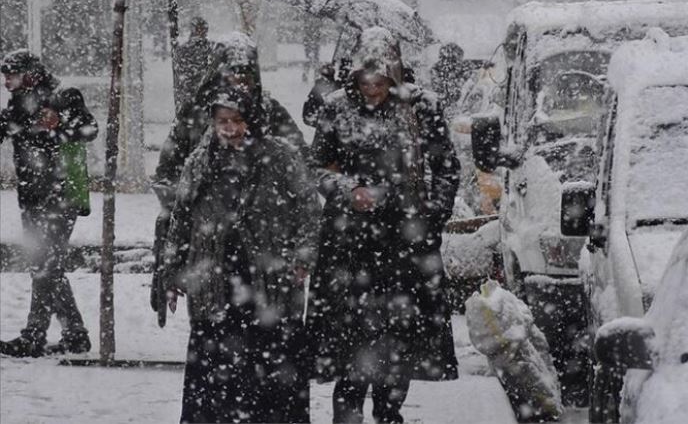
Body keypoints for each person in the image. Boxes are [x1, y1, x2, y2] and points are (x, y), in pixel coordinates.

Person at [308, 27, 461, 423]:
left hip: (405, 244)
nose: (372, 90)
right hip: (348, 243)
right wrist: (348, 188)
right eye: (365, 81)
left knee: (399, 342)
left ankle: (389, 412)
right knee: (350, 343)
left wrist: (431, 218)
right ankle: (348, 413)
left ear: (394, 75)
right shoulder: (337, 108)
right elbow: (316, 167)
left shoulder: (421, 107)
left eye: (380, 82)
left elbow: (446, 167)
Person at [161, 87, 320, 423]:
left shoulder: (279, 156)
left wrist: (303, 255)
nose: (230, 128)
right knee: (216, 370)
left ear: (252, 120)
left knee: (271, 365)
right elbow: (181, 217)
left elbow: (308, 206)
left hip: (269, 278)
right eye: (222, 121)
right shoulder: (201, 160)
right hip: (215, 277)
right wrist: (172, 273)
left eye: (236, 120)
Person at [151, 32, 306, 322]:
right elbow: (166, 176)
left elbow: (302, 170)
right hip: (210, 245)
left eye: (245, 77)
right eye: (232, 75)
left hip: (264, 244)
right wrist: (195, 205)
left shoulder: (271, 113)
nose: (239, 84)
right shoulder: (195, 114)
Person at [0, 50, 97, 357]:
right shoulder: (18, 103)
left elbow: (89, 129)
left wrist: (60, 123)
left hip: (62, 196)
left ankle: (33, 336)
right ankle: (76, 334)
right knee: (44, 266)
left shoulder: (63, 95)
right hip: (31, 198)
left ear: (30, 74)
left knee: (46, 267)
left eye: (10, 76)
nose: (6, 83)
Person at [174, 16, 213, 114]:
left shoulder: (212, 48)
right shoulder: (184, 49)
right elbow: (180, 76)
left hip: (206, 96)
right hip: (191, 95)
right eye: (199, 29)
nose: (202, 32)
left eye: (204, 29)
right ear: (193, 29)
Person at [430, 42, 471, 116]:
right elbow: (442, 93)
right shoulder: (436, 71)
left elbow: (471, 63)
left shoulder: (459, 67)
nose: (459, 63)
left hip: (452, 107)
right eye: (457, 60)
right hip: (443, 111)